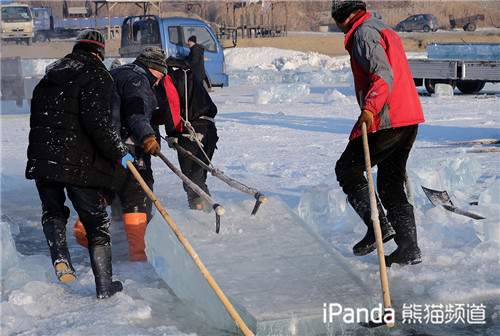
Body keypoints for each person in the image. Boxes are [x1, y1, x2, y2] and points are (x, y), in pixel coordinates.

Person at [25, 29, 133, 299]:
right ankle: (105, 286)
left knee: (53, 211)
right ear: (100, 53)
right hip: (78, 164)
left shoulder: (47, 77)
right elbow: (99, 124)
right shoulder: (97, 75)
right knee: (97, 222)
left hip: (44, 160)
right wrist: (119, 152)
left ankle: (60, 256)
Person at [331, 1, 425, 267]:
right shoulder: (381, 27)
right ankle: (409, 247)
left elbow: (382, 75)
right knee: (390, 184)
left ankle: (378, 227)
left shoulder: (363, 33)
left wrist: (370, 110)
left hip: (388, 119)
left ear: (344, 17)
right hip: (408, 119)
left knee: (347, 168)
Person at [73, 47, 167, 261]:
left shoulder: (114, 74)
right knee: (134, 195)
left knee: (107, 187)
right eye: (160, 76)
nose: (158, 83)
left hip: (99, 143)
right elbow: (135, 113)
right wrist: (148, 138)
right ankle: (138, 253)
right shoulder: (139, 80)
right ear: (153, 69)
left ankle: (83, 223)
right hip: (125, 145)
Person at [156, 56, 219, 212]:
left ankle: (202, 215)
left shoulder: (167, 75)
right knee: (198, 176)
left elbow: (171, 106)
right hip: (208, 128)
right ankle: (207, 211)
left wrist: (173, 133)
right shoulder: (187, 72)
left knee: (192, 180)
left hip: (191, 131)